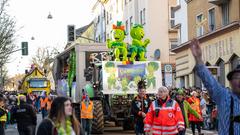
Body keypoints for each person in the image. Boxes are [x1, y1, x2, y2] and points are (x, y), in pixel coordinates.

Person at [190, 38, 240, 134]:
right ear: (231, 82)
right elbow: (210, 81)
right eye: (236, 77)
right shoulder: (224, 96)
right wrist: (198, 59)